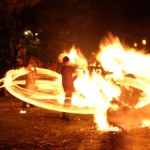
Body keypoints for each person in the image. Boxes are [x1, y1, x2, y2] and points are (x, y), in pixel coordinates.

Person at [61, 56, 78, 120]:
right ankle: (66, 115)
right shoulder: (65, 69)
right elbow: (70, 75)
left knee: (67, 100)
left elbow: (71, 77)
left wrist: (74, 77)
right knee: (68, 100)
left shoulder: (64, 68)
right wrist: (74, 68)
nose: (68, 63)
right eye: (67, 62)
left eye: (68, 62)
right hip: (68, 86)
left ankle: (64, 114)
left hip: (68, 85)